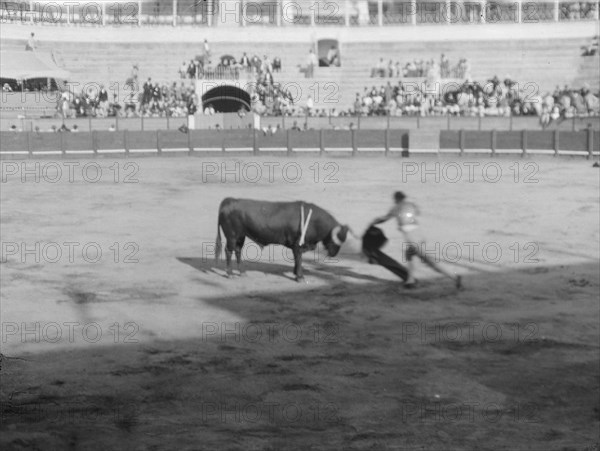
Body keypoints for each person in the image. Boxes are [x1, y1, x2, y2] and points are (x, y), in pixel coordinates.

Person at [368, 191, 462, 289]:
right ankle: (410, 281)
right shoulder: (411, 205)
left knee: (431, 262)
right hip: (419, 234)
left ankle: (454, 277)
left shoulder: (396, 208)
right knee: (410, 256)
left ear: (397, 199)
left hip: (413, 239)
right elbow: (417, 212)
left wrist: (373, 222)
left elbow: (384, 218)